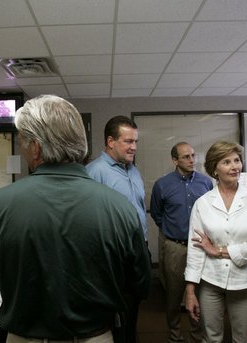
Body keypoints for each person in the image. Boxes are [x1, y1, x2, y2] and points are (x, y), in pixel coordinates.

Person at [0, 95, 152, 343]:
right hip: (95, 336)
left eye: (22, 142)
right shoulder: (120, 207)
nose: (22, 149)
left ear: (36, 147)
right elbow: (140, 285)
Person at [184, 141, 247, 343]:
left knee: (244, 338)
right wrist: (190, 291)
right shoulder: (203, 204)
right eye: (226, 162)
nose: (235, 166)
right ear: (215, 168)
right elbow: (196, 250)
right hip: (211, 281)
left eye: (237, 160)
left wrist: (220, 250)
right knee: (210, 338)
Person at [86, 115, 147, 343]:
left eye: (136, 142)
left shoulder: (133, 170)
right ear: (111, 142)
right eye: (128, 141)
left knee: (132, 312)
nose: (134, 147)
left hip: (137, 252)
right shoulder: (94, 172)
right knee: (113, 319)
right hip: (112, 257)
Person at [150, 142, 213, 343]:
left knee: (200, 294)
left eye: (193, 155)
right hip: (174, 248)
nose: (192, 160)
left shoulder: (206, 183)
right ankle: (175, 335)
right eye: (186, 157)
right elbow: (157, 214)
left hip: (200, 247)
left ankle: (196, 335)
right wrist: (173, 232)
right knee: (174, 296)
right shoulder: (162, 185)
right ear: (174, 160)